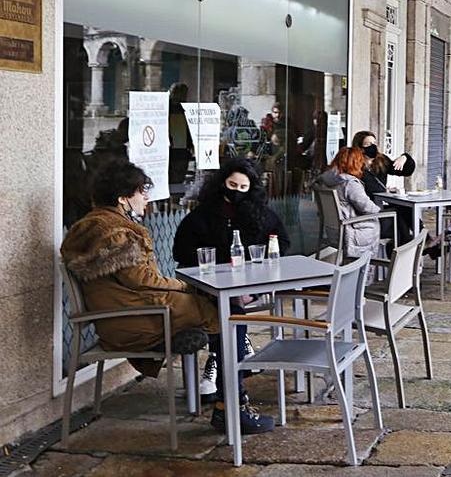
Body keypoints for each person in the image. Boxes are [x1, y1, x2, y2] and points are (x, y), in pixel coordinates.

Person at [60, 161, 272, 434]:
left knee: (222, 312)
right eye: (141, 191)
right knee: (227, 313)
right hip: (135, 321)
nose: (147, 197)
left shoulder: (92, 226)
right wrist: (185, 288)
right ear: (123, 198)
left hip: (122, 317)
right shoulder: (117, 233)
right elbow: (143, 280)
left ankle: (226, 398)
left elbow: (135, 284)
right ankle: (232, 407)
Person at [173, 158, 289, 434]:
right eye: (232, 184)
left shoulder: (260, 212)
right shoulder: (204, 214)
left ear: (252, 188)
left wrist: (257, 278)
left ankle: (228, 401)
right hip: (208, 289)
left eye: (243, 186)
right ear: (222, 183)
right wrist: (211, 264)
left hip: (246, 288)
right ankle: (231, 402)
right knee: (232, 318)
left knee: (233, 316)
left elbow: (281, 242)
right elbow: (182, 251)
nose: (237, 190)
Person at [314, 147, 382, 260]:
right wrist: (379, 208)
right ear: (355, 163)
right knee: (395, 219)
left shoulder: (325, 181)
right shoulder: (349, 183)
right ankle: (394, 263)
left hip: (332, 231)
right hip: (350, 232)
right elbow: (367, 208)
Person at [352, 130, 417, 243]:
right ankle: (415, 242)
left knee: (404, 208)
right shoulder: (354, 167)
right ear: (359, 148)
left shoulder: (381, 160)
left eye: (374, 143)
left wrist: (404, 157)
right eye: (368, 144)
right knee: (400, 212)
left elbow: (405, 171)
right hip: (367, 212)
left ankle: (411, 242)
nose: (373, 147)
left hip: (379, 208)